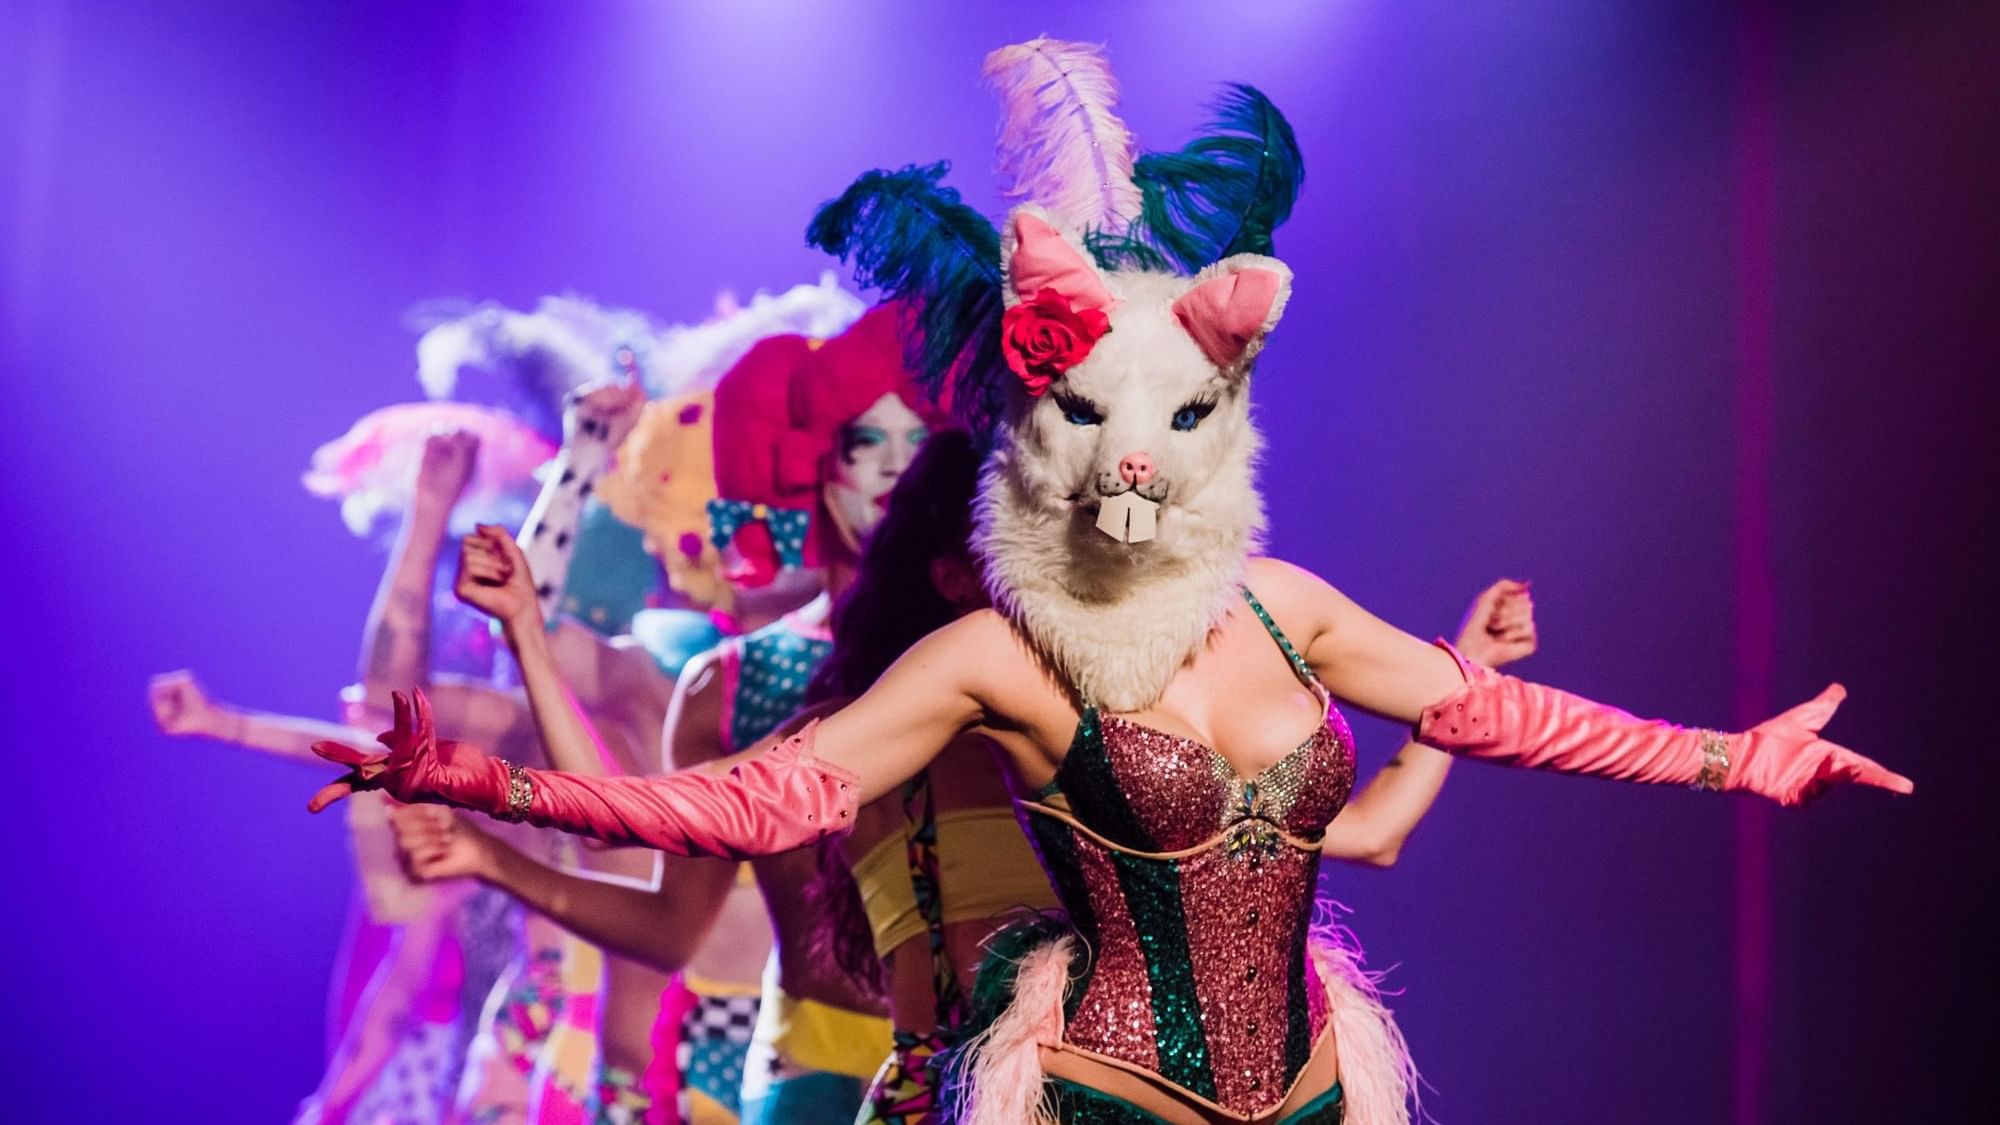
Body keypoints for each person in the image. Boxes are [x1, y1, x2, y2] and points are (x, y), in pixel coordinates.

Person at [311, 65, 1912, 1125]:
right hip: (1081, 1095)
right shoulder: (988, 656)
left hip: (1310, 1097)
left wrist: (1740, 757)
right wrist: (474, 774)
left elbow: (1497, 720)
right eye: (1092, 427)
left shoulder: (1291, 605)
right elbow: (733, 809)